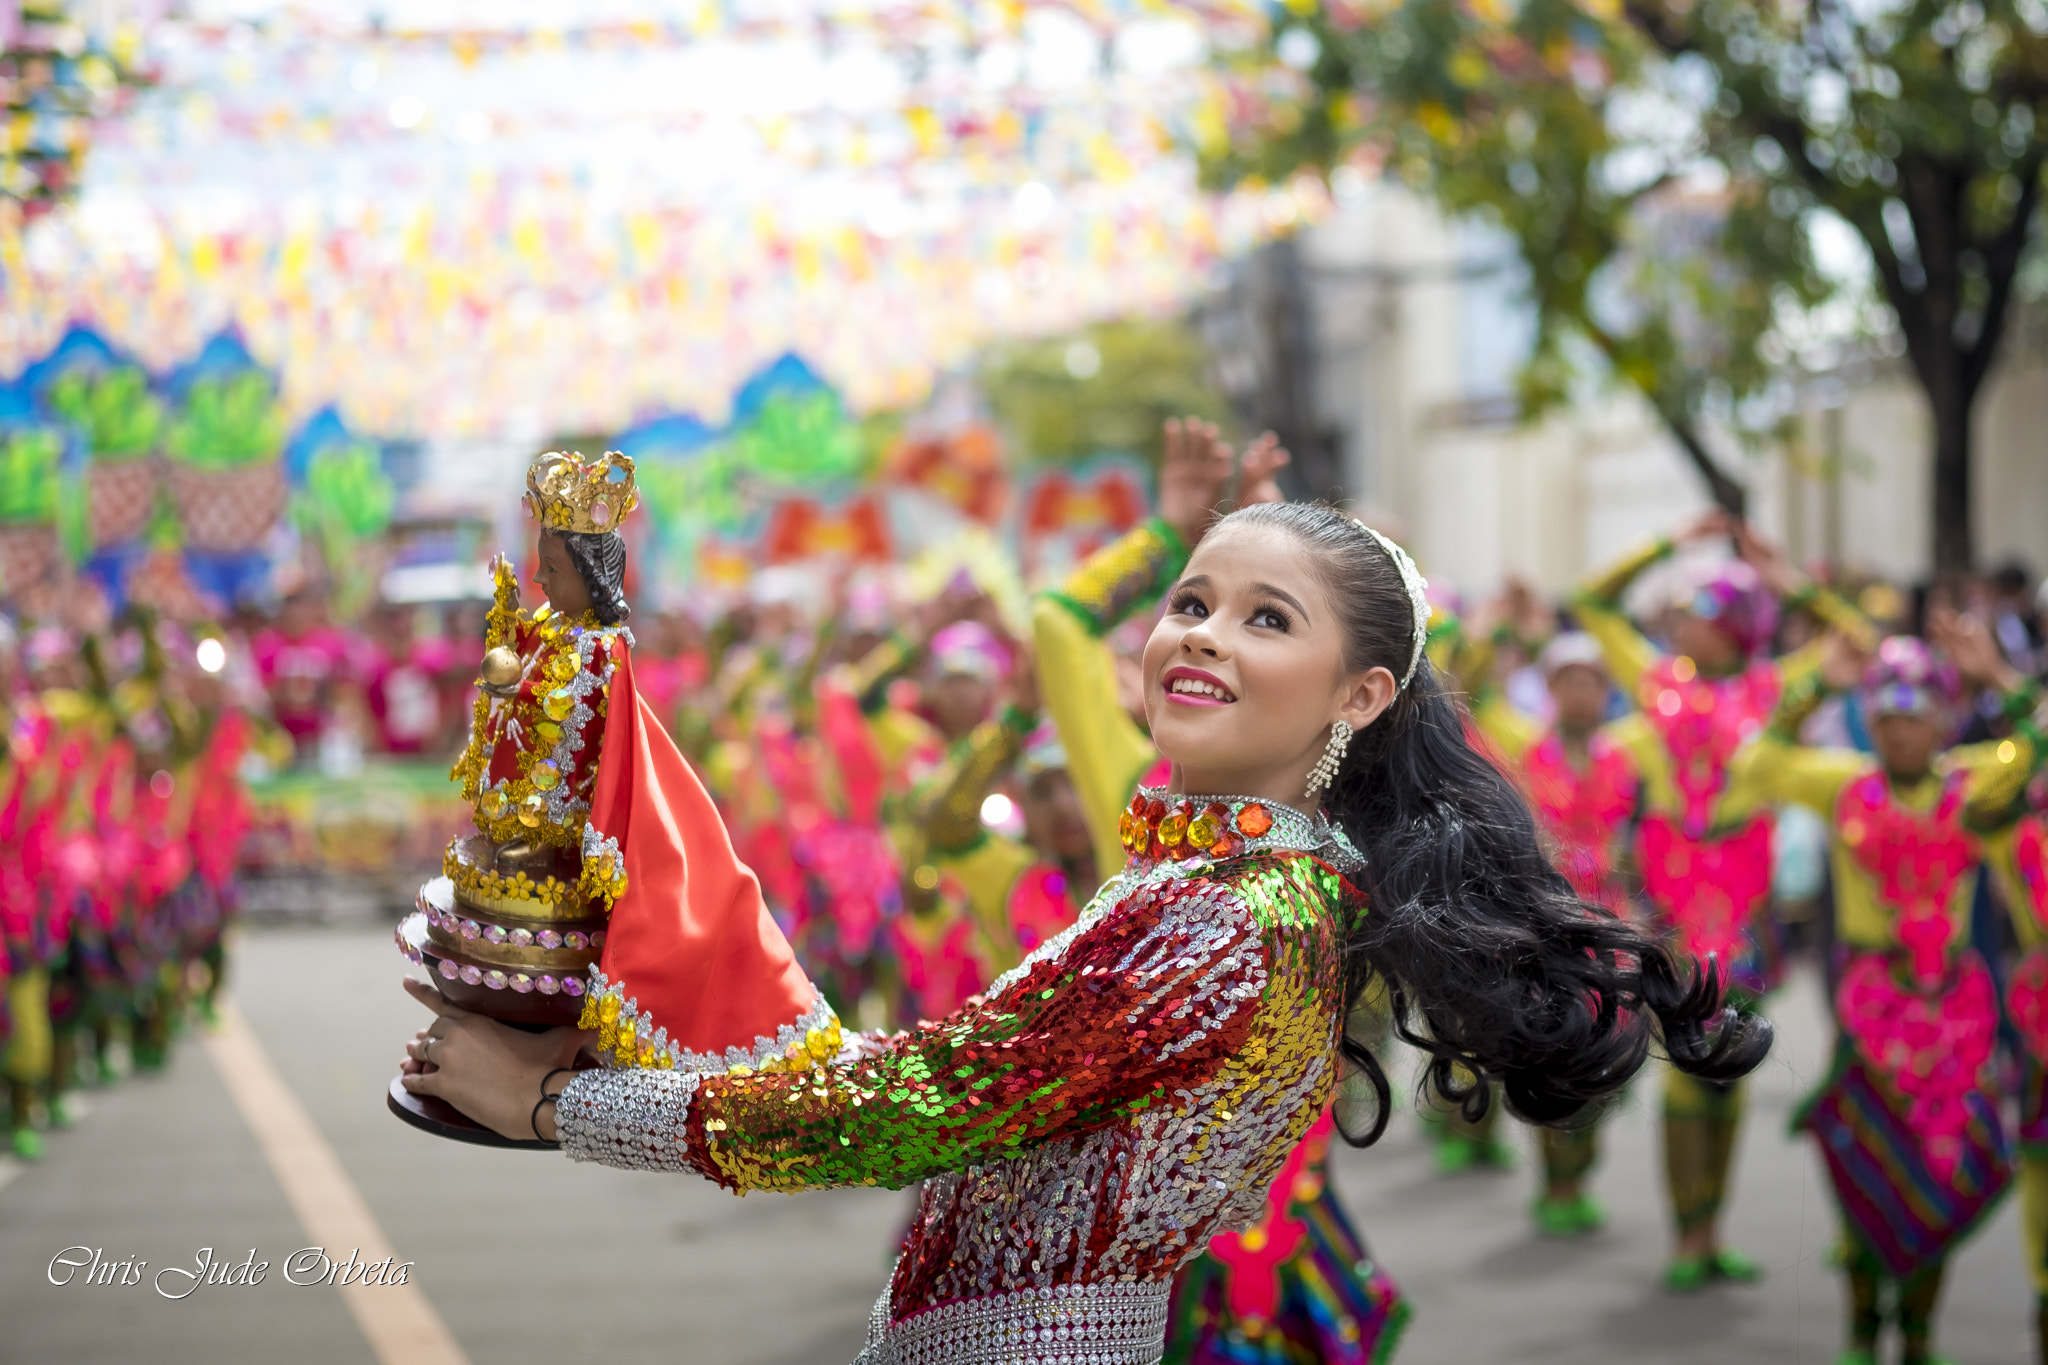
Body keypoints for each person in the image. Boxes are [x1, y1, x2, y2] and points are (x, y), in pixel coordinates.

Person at [400, 482, 1770, 1364]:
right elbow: (945, 1082)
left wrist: (558, 1109)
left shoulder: (1229, 919)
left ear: (1354, 697)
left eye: (1264, 617)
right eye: (1191, 599)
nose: (1201, 633)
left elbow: (916, 1109)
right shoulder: (1212, 884)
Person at [1727, 620, 2043, 1365]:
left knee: (1941, 1165)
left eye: (1916, 715)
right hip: (1868, 1009)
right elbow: (1759, 759)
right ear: (1870, 720)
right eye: (1887, 716)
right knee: (1860, 1161)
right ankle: (1864, 1329)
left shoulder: (1974, 782)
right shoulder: (1844, 784)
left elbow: (2041, 739)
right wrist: (1813, 686)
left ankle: (1922, 1332)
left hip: (1956, 1011)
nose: (1901, 732)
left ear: (1942, 718)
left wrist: (1998, 676)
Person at [1572, 511, 1869, 1289]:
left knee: (1727, 1061)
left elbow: (1862, 645)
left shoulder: (1775, 691)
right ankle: (1685, 1238)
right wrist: (1670, 543)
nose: (1681, 624)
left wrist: (1787, 581)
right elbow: (1592, 603)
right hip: (1671, 902)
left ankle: (1712, 1230)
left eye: (1702, 613)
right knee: (1680, 1064)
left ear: (1740, 627)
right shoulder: (1657, 680)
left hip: (1745, 903)